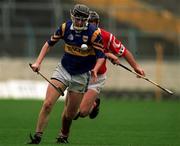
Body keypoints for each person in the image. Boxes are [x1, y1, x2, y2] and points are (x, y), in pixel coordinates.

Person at [28, 4, 106, 144]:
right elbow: (48, 44)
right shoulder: (65, 28)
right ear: (72, 17)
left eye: (83, 20)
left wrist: (95, 69)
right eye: (77, 19)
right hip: (63, 70)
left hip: (81, 75)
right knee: (47, 104)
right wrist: (38, 63)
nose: (80, 22)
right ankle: (37, 137)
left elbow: (101, 56)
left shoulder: (93, 33)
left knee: (71, 114)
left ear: (87, 20)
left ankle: (64, 135)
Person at [73, 11, 145, 120]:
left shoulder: (107, 36)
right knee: (72, 113)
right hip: (80, 74)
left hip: (96, 77)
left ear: (97, 23)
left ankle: (94, 104)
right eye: (89, 23)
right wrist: (107, 54)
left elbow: (124, 51)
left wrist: (136, 67)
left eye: (94, 22)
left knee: (82, 112)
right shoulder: (78, 34)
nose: (92, 25)